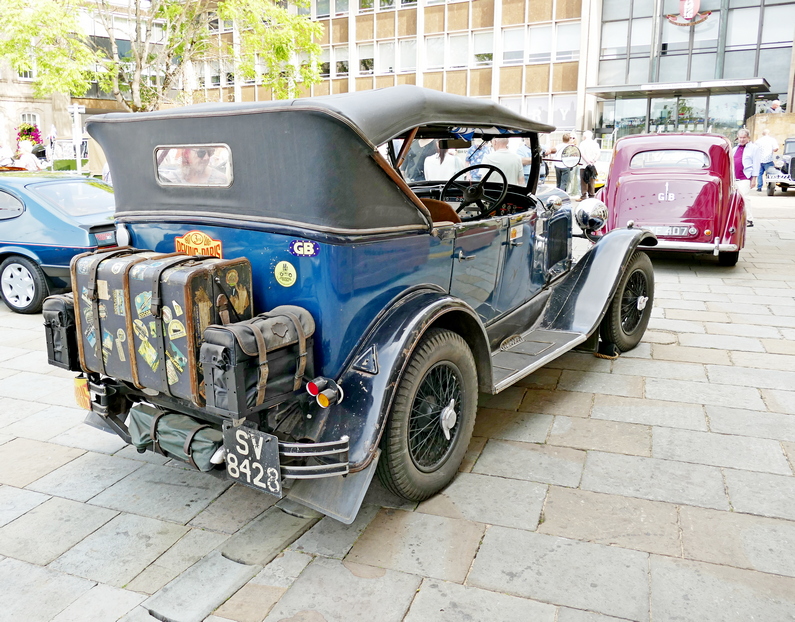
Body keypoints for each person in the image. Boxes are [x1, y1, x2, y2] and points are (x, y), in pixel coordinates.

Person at [732, 128, 757, 227]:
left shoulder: (754, 148)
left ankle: (749, 219)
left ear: (748, 138)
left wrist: (754, 179)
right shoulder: (735, 149)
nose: (742, 140)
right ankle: (737, 218)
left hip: (745, 177)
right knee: (734, 199)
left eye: (744, 137)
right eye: (740, 137)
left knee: (745, 198)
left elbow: (756, 164)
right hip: (734, 177)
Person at [578, 130, 601, 200]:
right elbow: (598, 154)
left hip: (584, 165)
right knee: (592, 180)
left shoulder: (582, 143)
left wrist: (587, 161)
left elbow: (581, 154)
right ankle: (592, 195)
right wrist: (593, 161)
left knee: (584, 180)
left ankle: (584, 195)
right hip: (592, 165)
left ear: (584, 136)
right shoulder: (595, 144)